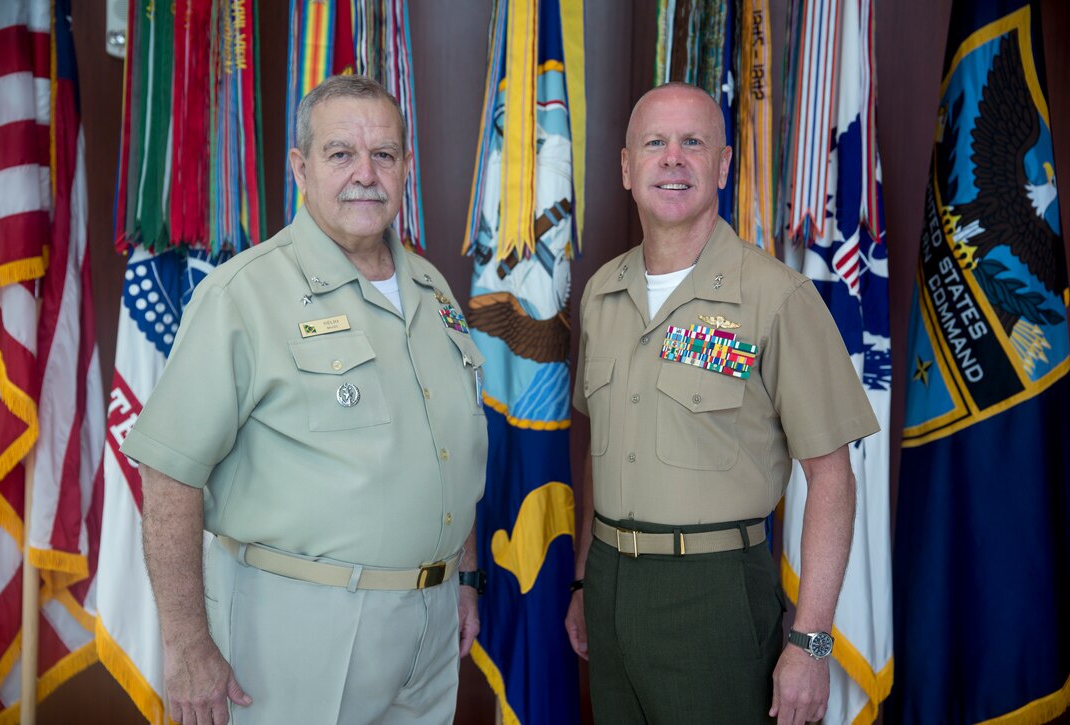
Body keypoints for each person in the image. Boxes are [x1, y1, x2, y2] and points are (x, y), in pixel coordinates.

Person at [121, 75, 489, 725]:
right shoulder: (245, 295)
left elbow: (450, 445)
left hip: (429, 631)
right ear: (300, 167)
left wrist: (458, 575)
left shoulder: (433, 291)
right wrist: (187, 646)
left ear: (406, 167)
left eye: (384, 154)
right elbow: (169, 472)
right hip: (299, 629)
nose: (365, 174)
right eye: (340, 153)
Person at [563, 82, 880, 724]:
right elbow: (603, 444)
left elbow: (831, 478)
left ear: (724, 165)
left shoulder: (777, 297)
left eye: (693, 143)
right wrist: (582, 580)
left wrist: (812, 641)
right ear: (627, 167)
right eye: (655, 143)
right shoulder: (601, 293)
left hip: (714, 594)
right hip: (608, 585)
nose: (672, 159)